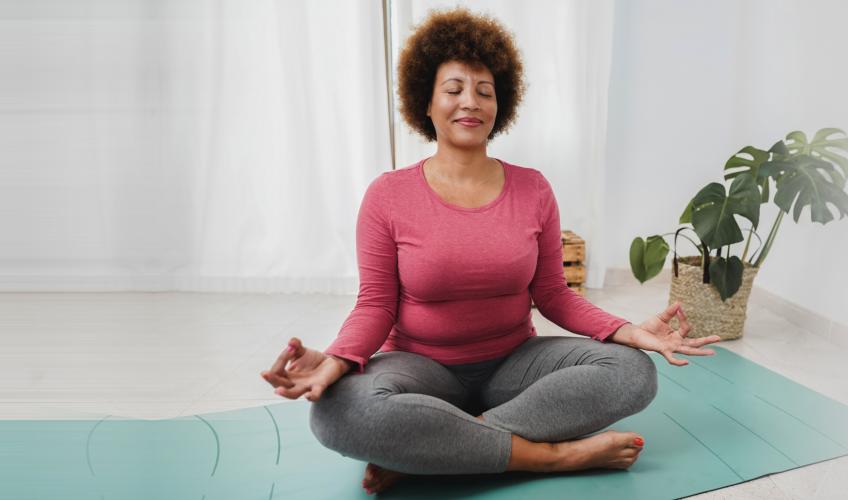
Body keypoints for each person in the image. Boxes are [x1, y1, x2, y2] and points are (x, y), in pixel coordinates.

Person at [258, 8, 719, 494]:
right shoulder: (388, 195)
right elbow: (375, 305)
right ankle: (546, 458)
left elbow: (554, 295)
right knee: (335, 413)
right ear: (427, 103)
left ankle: (437, 450)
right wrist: (337, 360)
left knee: (632, 374)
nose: (469, 102)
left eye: (484, 90)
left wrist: (625, 331)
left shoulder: (533, 188)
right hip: (418, 368)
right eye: (453, 89)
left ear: (501, 105)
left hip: (512, 363)